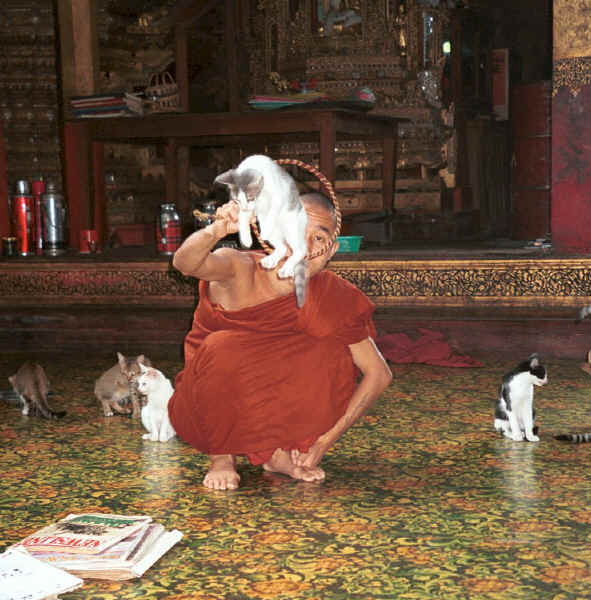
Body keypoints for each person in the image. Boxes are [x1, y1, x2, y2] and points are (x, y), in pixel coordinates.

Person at [168, 192, 392, 490]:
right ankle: (221, 456)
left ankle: (278, 452)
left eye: (318, 239)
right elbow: (185, 263)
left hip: (270, 403)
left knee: (331, 349)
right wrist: (217, 230)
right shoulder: (239, 268)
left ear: (331, 250)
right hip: (205, 404)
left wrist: (324, 443)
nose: (304, 247)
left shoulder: (331, 294)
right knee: (223, 346)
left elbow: (379, 374)